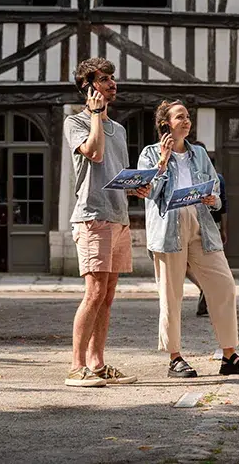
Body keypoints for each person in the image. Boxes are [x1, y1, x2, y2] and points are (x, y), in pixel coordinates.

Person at [138, 100, 239, 378]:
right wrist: (163, 162)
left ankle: (229, 355)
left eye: (188, 116)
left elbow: (215, 193)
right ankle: (175, 358)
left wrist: (212, 198)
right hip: (169, 227)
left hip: (201, 223)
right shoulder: (149, 154)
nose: (187, 121)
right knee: (171, 294)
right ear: (166, 123)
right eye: (180, 117)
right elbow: (150, 193)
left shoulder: (200, 154)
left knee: (224, 285)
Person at [63, 57, 152, 388]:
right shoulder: (76, 123)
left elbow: (116, 173)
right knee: (94, 291)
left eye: (113, 78)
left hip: (118, 217)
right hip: (92, 217)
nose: (113, 83)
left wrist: (137, 188)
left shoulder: (121, 129)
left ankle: (97, 363)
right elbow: (95, 154)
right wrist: (97, 114)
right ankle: (76, 366)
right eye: (104, 79)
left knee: (108, 294)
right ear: (88, 87)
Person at [189, 140, 227, 318]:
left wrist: (223, 229)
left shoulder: (218, 179)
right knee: (186, 266)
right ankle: (204, 287)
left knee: (211, 265)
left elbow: (223, 206)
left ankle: (208, 297)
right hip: (191, 224)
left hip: (211, 225)